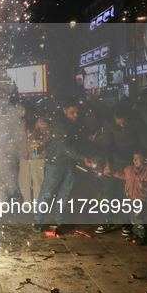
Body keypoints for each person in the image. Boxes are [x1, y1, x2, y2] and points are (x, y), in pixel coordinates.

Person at [32, 97, 94, 232]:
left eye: (77, 112)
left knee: (66, 191)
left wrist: (87, 138)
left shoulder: (74, 122)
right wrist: (82, 157)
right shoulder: (58, 124)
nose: (76, 115)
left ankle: (60, 218)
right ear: (65, 111)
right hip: (57, 161)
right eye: (73, 112)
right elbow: (65, 146)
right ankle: (38, 219)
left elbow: (76, 138)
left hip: (70, 161)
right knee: (47, 190)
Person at [97, 104, 147, 235]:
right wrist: (108, 163)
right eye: (119, 123)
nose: (122, 125)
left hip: (132, 163)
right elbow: (107, 145)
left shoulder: (137, 122)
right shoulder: (109, 123)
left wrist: (143, 164)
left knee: (128, 194)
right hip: (115, 161)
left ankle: (126, 224)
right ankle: (108, 221)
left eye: (124, 123)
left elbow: (146, 144)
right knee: (109, 192)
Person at [105, 150, 147, 245]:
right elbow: (122, 173)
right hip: (130, 197)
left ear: (145, 160)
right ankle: (135, 234)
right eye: (134, 158)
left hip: (139, 199)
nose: (135, 160)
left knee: (138, 218)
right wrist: (113, 171)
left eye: (138, 158)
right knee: (132, 217)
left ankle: (142, 237)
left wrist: (145, 186)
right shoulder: (131, 169)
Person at [18, 103, 50, 204]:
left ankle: (38, 205)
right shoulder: (21, 122)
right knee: (23, 181)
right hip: (24, 156)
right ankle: (27, 202)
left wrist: (38, 143)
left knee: (37, 182)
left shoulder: (39, 121)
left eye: (22, 109)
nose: (20, 111)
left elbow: (48, 134)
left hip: (37, 156)